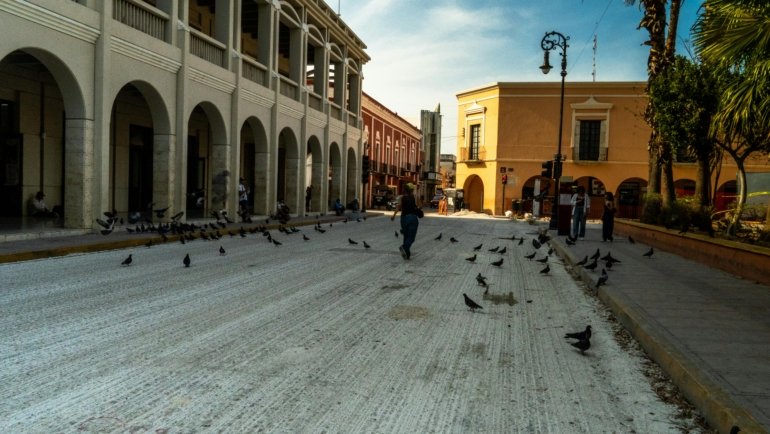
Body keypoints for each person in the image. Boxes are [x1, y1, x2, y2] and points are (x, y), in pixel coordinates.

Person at [391, 183, 421, 260]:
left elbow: (398, 207)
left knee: (406, 236)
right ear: (412, 190)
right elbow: (420, 205)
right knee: (411, 237)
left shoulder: (401, 197)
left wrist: (393, 216)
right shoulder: (415, 197)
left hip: (403, 218)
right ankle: (404, 247)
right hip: (412, 218)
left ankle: (407, 254)